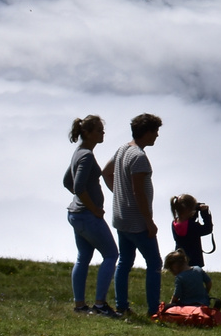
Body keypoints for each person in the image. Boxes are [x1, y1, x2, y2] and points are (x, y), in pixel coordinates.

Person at [109, 112, 164, 319]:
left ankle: (121, 306)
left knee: (124, 261)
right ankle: (153, 309)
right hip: (137, 222)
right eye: (155, 131)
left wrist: (118, 194)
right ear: (147, 132)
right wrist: (149, 222)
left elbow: (106, 172)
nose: (157, 135)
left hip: (121, 217)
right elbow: (138, 192)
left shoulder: (123, 149)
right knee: (154, 263)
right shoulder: (139, 157)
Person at [64, 115, 119, 318]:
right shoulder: (86, 156)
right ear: (87, 133)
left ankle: (80, 305)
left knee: (84, 257)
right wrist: (93, 208)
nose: (102, 133)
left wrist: (82, 201)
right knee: (111, 254)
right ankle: (100, 305)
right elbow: (78, 187)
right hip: (87, 216)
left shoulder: (78, 152)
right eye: (98, 130)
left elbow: (67, 181)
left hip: (76, 215)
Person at [169, 195, 214, 268]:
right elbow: (208, 229)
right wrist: (205, 213)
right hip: (194, 261)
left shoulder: (174, 223)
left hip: (181, 260)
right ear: (188, 210)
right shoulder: (192, 226)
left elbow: (186, 222)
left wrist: (193, 212)